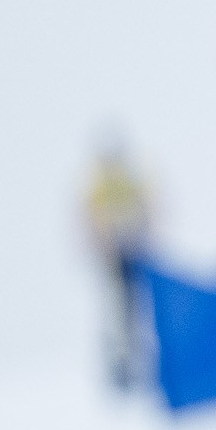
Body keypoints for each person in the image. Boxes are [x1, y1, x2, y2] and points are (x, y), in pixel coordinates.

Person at [84, 137, 152, 390]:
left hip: (133, 257)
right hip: (114, 259)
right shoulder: (101, 187)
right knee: (119, 313)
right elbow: (92, 222)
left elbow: (146, 213)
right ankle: (122, 364)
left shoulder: (126, 182)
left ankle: (136, 362)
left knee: (134, 310)